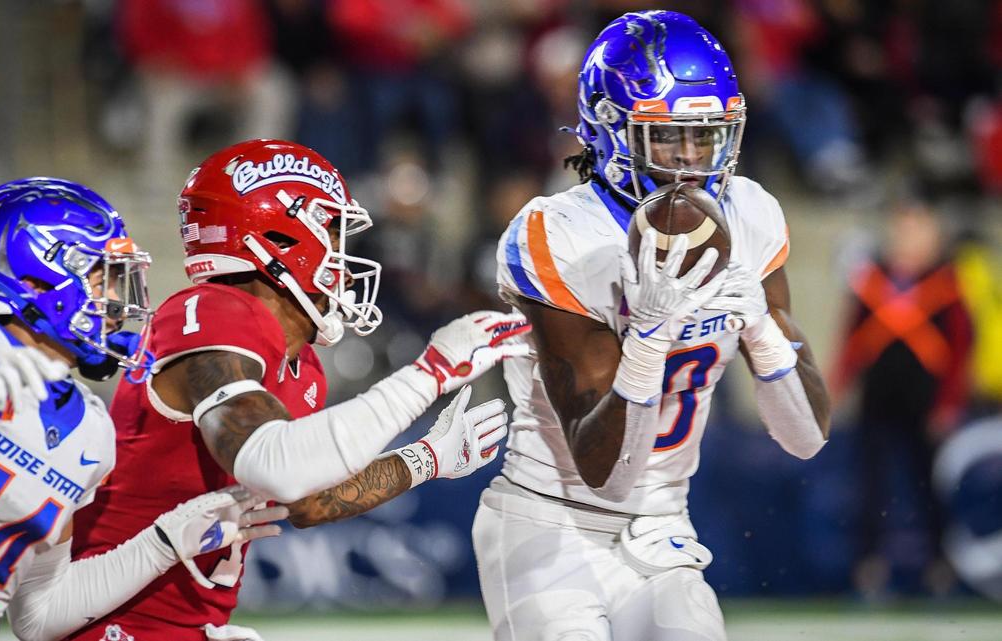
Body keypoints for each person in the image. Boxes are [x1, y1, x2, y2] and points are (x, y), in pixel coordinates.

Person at [68, 139, 528, 641]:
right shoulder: (210, 313)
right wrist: (431, 372)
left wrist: (426, 459)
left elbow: (306, 500)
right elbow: (274, 465)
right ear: (279, 237)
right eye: (331, 230)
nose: (343, 255)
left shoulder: (299, 362)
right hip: (108, 624)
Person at [472, 11, 832, 641]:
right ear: (609, 130)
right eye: (668, 138)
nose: (692, 161)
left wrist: (760, 329)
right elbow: (604, 472)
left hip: (664, 524)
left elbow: (805, 438)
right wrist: (651, 333)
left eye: (708, 136)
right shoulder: (559, 234)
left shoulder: (749, 213)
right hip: (550, 525)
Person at [0, 178, 288, 641]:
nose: (118, 303)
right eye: (104, 277)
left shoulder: (87, 428)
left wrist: (167, 539)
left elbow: (41, 614)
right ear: (37, 275)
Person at [833, 198, 972, 597]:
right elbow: (852, 340)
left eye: (918, 229)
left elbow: (961, 347)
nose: (908, 238)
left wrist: (948, 403)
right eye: (902, 228)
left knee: (929, 485)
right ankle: (869, 569)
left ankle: (939, 567)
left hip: (924, 401)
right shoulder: (872, 278)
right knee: (870, 485)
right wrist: (837, 387)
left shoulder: (946, 281)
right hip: (878, 397)